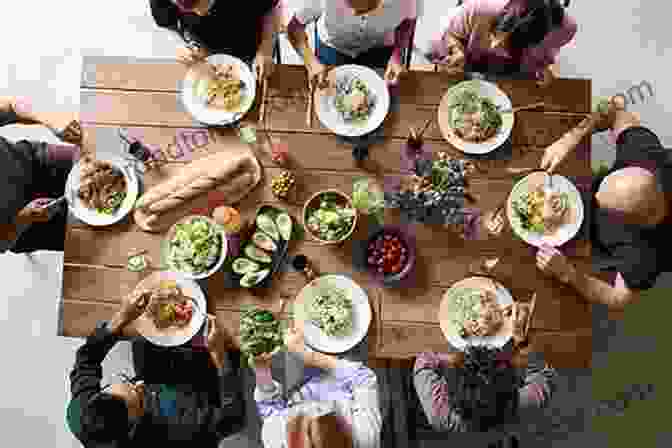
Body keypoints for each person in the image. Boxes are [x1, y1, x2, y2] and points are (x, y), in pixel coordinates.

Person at [534, 96, 670, 309]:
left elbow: (618, 299)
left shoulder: (645, 256)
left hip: (586, 247)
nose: (593, 198)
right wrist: (569, 139)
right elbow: (615, 108)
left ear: (628, 221)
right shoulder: (645, 153)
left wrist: (567, 273)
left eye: (601, 204)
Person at [67, 287, 245, 447]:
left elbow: (87, 359)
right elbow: (233, 418)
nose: (140, 384)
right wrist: (220, 357)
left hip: (154, 373)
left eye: (126, 382)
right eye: (139, 396)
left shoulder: (81, 413)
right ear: (132, 426)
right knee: (231, 333)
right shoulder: (186, 431)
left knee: (148, 328)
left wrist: (121, 317)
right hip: (197, 392)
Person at [253, 327, 382, 447]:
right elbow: (364, 379)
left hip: (302, 381)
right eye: (320, 409)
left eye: (299, 415)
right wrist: (311, 356)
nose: (312, 406)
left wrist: (262, 370)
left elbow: (271, 409)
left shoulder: (276, 439)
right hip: (349, 381)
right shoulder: (365, 437)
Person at [413, 343, 556, 443]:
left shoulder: (440, 415)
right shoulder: (524, 402)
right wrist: (527, 354)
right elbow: (545, 375)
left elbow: (422, 362)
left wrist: (451, 359)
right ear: (511, 391)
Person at [0, 96, 85, 254]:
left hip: (37, 163)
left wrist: (51, 120)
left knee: (99, 162)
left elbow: (12, 107)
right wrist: (23, 219)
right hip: (25, 226)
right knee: (95, 239)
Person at [426, 0, 576, 86]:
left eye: (509, 45)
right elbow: (452, 34)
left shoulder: (565, 29)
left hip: (514, 72)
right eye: (497, 34)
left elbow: (545, 58)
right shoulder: (478, 8)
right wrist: (456, 51)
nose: (494, 46)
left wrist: (543, 68)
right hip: (467, 64)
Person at [286, 0, 418, 86]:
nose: (354, 13)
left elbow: (408, 21)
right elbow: (294, 28)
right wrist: (310, 62)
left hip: (379, 49)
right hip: (332, 48)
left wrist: (397, 55)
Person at [149, 0, 283, 79]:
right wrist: (178, 45)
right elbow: (166, 22)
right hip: (203, 53)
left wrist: (266, 49)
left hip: (253, 44)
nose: (200, 13)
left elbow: (274, 7)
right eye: (190, 9)